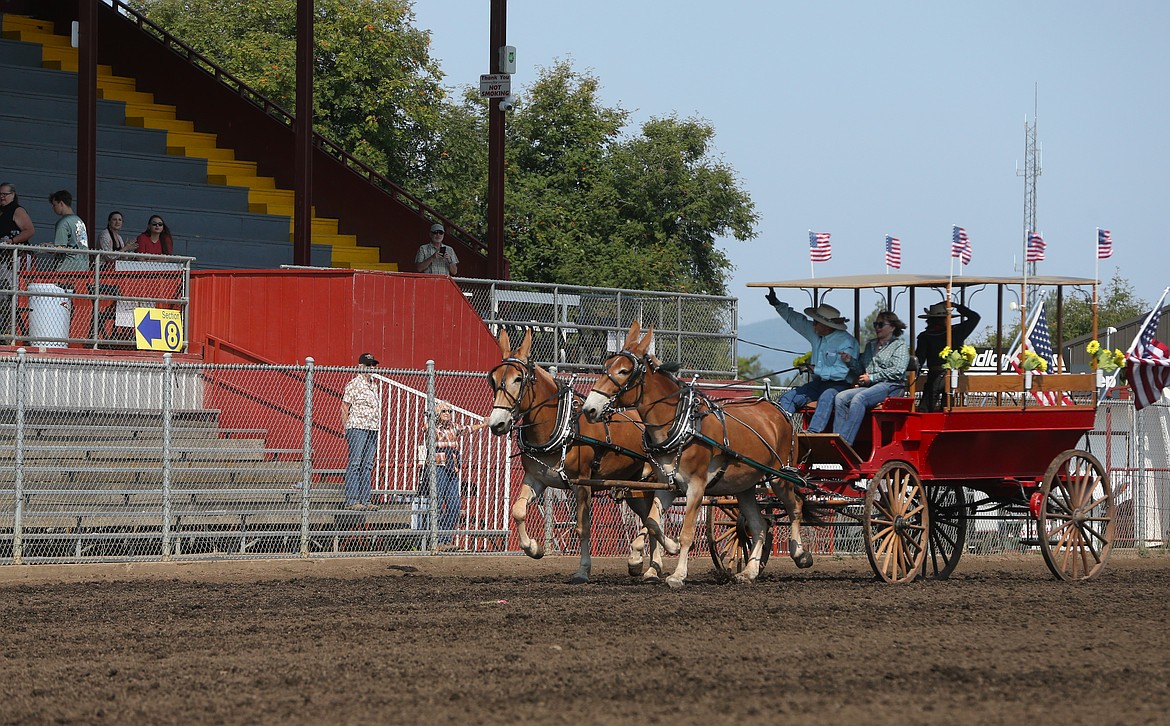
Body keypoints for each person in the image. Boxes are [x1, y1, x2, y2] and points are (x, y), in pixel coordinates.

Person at [766, 288, 859, 433]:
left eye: (816, 322)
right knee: (788, 398)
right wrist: (777, 304)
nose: (813, 324)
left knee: (827, 396)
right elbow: (796, 321)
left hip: (841, 385)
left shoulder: (847, 342)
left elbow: (841, 372)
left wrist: (815, 369)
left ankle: (813, 433)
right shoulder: (816, 332)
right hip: (819, 383)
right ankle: (781, 432)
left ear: (826, 325)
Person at [832, 311, 910, 446]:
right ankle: (836, 439)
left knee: (859, 398)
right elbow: (861, 368)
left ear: (892, 327)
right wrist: (849, 360)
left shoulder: (899, 346)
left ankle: (845, 443)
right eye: (875, 324)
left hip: (892, 386)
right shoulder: (871, 345)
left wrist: (873, 377)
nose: (877, 327)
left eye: (880, 324)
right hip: (871, 387)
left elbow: (898, 371)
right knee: (840, 397)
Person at [419, 401, 487, 551]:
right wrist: (431, 416)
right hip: (438, 467)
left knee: (454, 505)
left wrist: (483, 424)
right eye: (444, 411)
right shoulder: (432, 427)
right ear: (437, 414)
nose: (448, 414)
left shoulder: (454, 426)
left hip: (452, 468)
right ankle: (436, 540)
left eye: (450, 411)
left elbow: (467, 429)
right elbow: (426, 428)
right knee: (437, 503)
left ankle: (445, 539)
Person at [915, 301, 981, 412]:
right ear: (946, 319)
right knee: (948, 407)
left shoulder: (925, 336)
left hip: (934, 375)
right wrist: (956, 306)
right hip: (953, 376)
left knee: (926, 408)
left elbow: (919, 359)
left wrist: (914, 375)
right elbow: (975, 317)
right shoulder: (956, 331)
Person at [340, 352, 382, 511]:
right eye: (368, 365)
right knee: (356, 462)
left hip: (372, 427)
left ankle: (365, 499)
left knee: (368, 464)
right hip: (357, 427)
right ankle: (352, 499)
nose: (371, 368)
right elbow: (344, 407)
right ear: (361, 366)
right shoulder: (353, 384)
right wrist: (346, 428)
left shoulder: (374, 385)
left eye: (373, 365)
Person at [0, 182, 35, 337]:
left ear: (13, 195)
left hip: (13, 258)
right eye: (0, 194)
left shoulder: (17, 210)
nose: (2, 197)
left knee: (9, 292)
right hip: (2, 257)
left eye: (5, 194)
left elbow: (29, 230)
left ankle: (9, 330)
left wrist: (12, 242)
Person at [49, 190, 90, 272]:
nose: (53, 208)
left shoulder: (63, 223)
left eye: (54, 205)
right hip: (83, 267)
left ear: (61, 204)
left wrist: (47, 247)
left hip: (67, 268)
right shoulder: (79, 221)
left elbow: (60, 248)